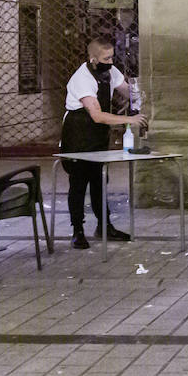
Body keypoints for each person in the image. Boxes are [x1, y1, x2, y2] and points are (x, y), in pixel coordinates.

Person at [59, 37, 144, 249]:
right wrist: (129, 119)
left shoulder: (110, 72)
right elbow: (96, 115)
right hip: (78, 134)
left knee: (99, 180)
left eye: (112, 57)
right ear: (93, 59)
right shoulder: (82, 79)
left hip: (97, 135)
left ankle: (105, 226)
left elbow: (127, 91)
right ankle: (77, 231)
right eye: (106, 58)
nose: (110, 61)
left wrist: (137, 95)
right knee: (78, 183)